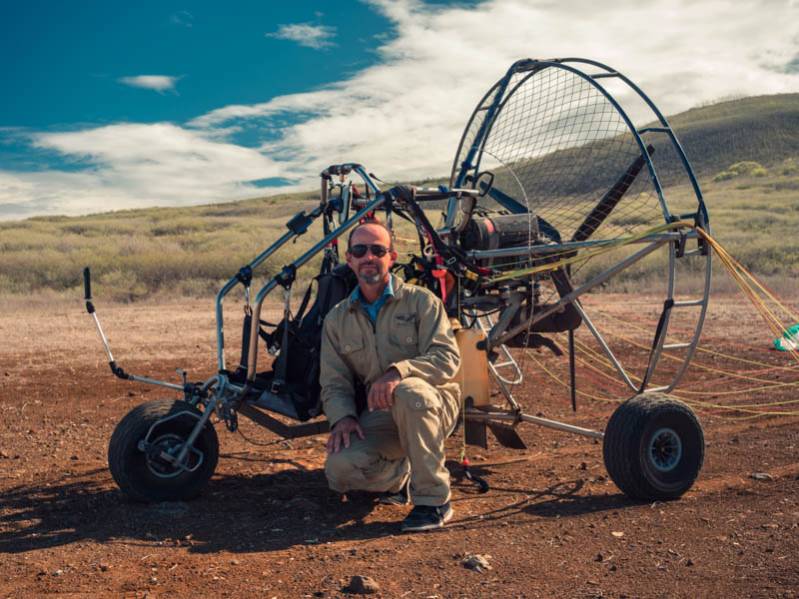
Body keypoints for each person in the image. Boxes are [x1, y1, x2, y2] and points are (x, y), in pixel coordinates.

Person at [319, 219, 461, 532]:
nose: (368, 256)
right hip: (382, 413)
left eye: (377, 249)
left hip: (431, 404)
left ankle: (434, 500)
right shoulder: (338, 318)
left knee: (408, 392)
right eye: (360, 250)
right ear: (350, 259)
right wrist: (342, 418)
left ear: (391, 257)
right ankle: (402, 473)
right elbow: (334, 381)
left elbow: (447, 359)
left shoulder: (421, 302)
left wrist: (398, 371)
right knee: (339, 469)